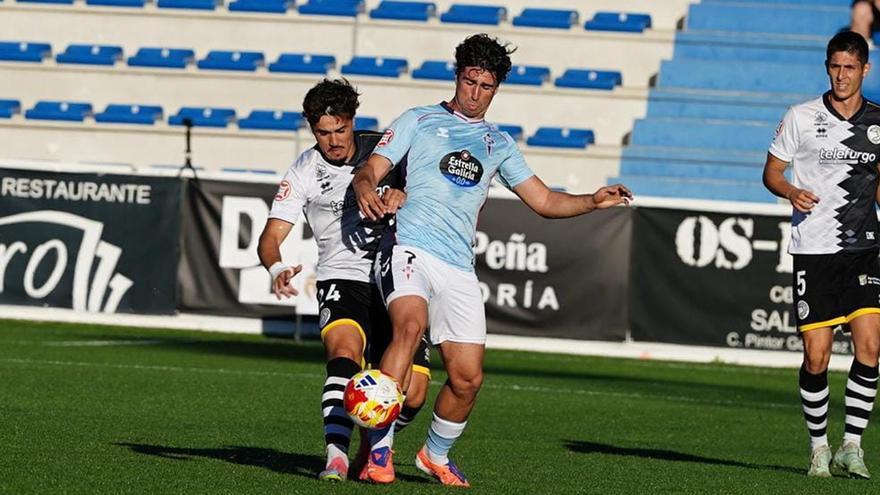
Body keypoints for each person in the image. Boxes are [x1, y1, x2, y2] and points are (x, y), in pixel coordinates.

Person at [352, 34, 633, 487]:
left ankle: (434, 455)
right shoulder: (418, 120)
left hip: (458, 266)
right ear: (457, 76)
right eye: (469, 82)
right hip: (409, 246)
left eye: (486, 86)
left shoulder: (497, 143)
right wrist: (367, 189)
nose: (475, 93)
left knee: (467, 380)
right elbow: (371, 169)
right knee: (409, 326)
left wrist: (592, 201)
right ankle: (378, 450)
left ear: (496, 89)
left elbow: (542, 200)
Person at [256, 78, 431, 483]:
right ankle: (335, 456)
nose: (333, 141)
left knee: (415, 394)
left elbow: (425, 186)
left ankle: (371, 447)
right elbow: (270, 237)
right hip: (342, 275)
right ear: (311, 129)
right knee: (344, 353)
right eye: (323, 132)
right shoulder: (303, 170)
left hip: (397, 275)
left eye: (340, 129)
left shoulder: (382, 152)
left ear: (352, 122)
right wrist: (276, 267)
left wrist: (404, 194)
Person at [763, 31, 880, 479]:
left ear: (865, 69)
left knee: (870, 345)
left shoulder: (877, 121)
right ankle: (818, 449)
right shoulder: (801, 116)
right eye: (835, 66)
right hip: (814, 249)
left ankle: (852, 445)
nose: (842, 75)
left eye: (850, 67)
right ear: (827, 66)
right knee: (817, 357)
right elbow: (771, 171)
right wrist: (791, 190)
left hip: (863, 247)